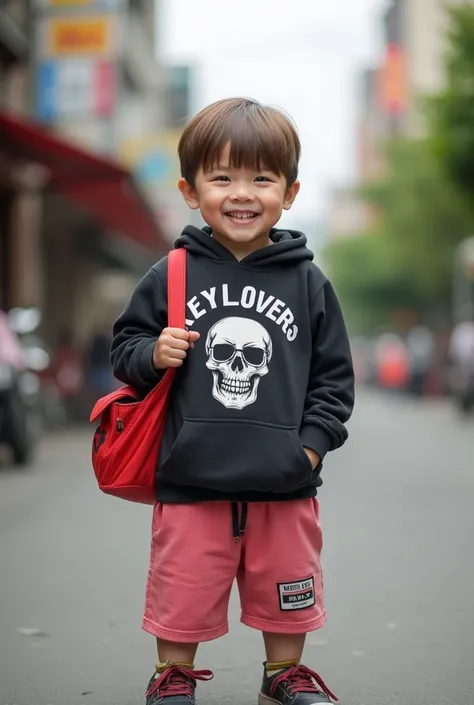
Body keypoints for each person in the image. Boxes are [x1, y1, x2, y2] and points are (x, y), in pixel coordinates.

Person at [110, 97, 355, 705]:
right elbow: (124, 351)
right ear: (191, 191)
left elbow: (334, 378)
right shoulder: (172, 272)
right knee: (184, 584)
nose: (241, 193)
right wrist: (152, 353)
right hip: (191, 475)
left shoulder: (308, 282)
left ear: (290, 192)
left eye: (261, 178)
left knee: (286, 585)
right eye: (221, 177)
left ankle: (283, 674)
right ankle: (173, 675)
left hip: (285, 479)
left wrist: (311, 450)